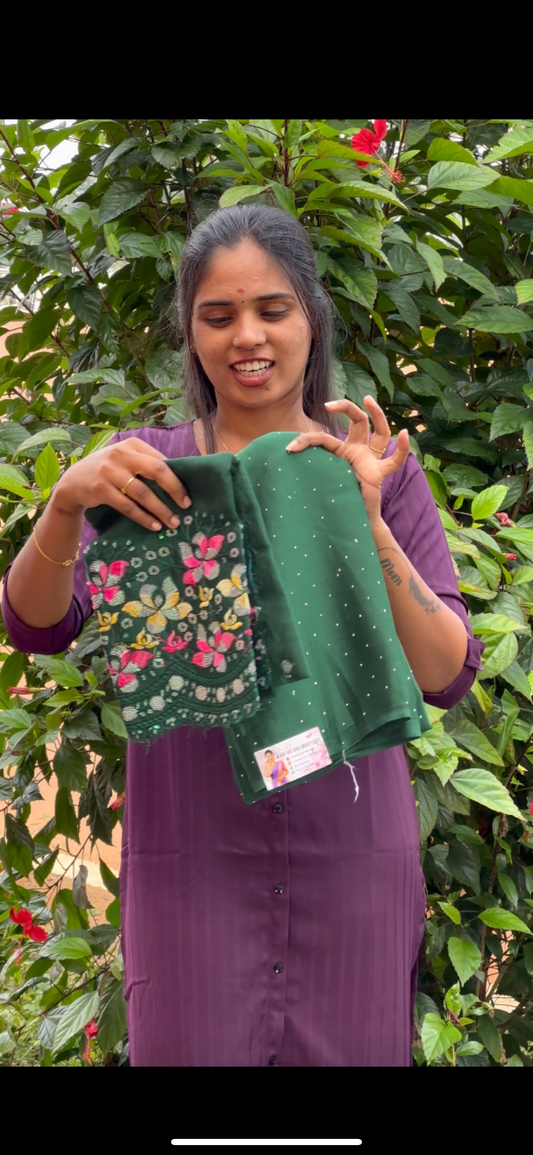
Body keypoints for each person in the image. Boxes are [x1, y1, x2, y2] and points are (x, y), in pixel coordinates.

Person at [2, 204, 483, 1067]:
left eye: (272, 309)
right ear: (189, 332)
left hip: (351, 862)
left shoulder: (372, 471)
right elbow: (37, 623)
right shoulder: (146, 472)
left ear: (311, 316)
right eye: (217, 316)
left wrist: (366, 527)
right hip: (194, 869)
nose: (246, 336)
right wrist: (67, 502)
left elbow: (446, 673)